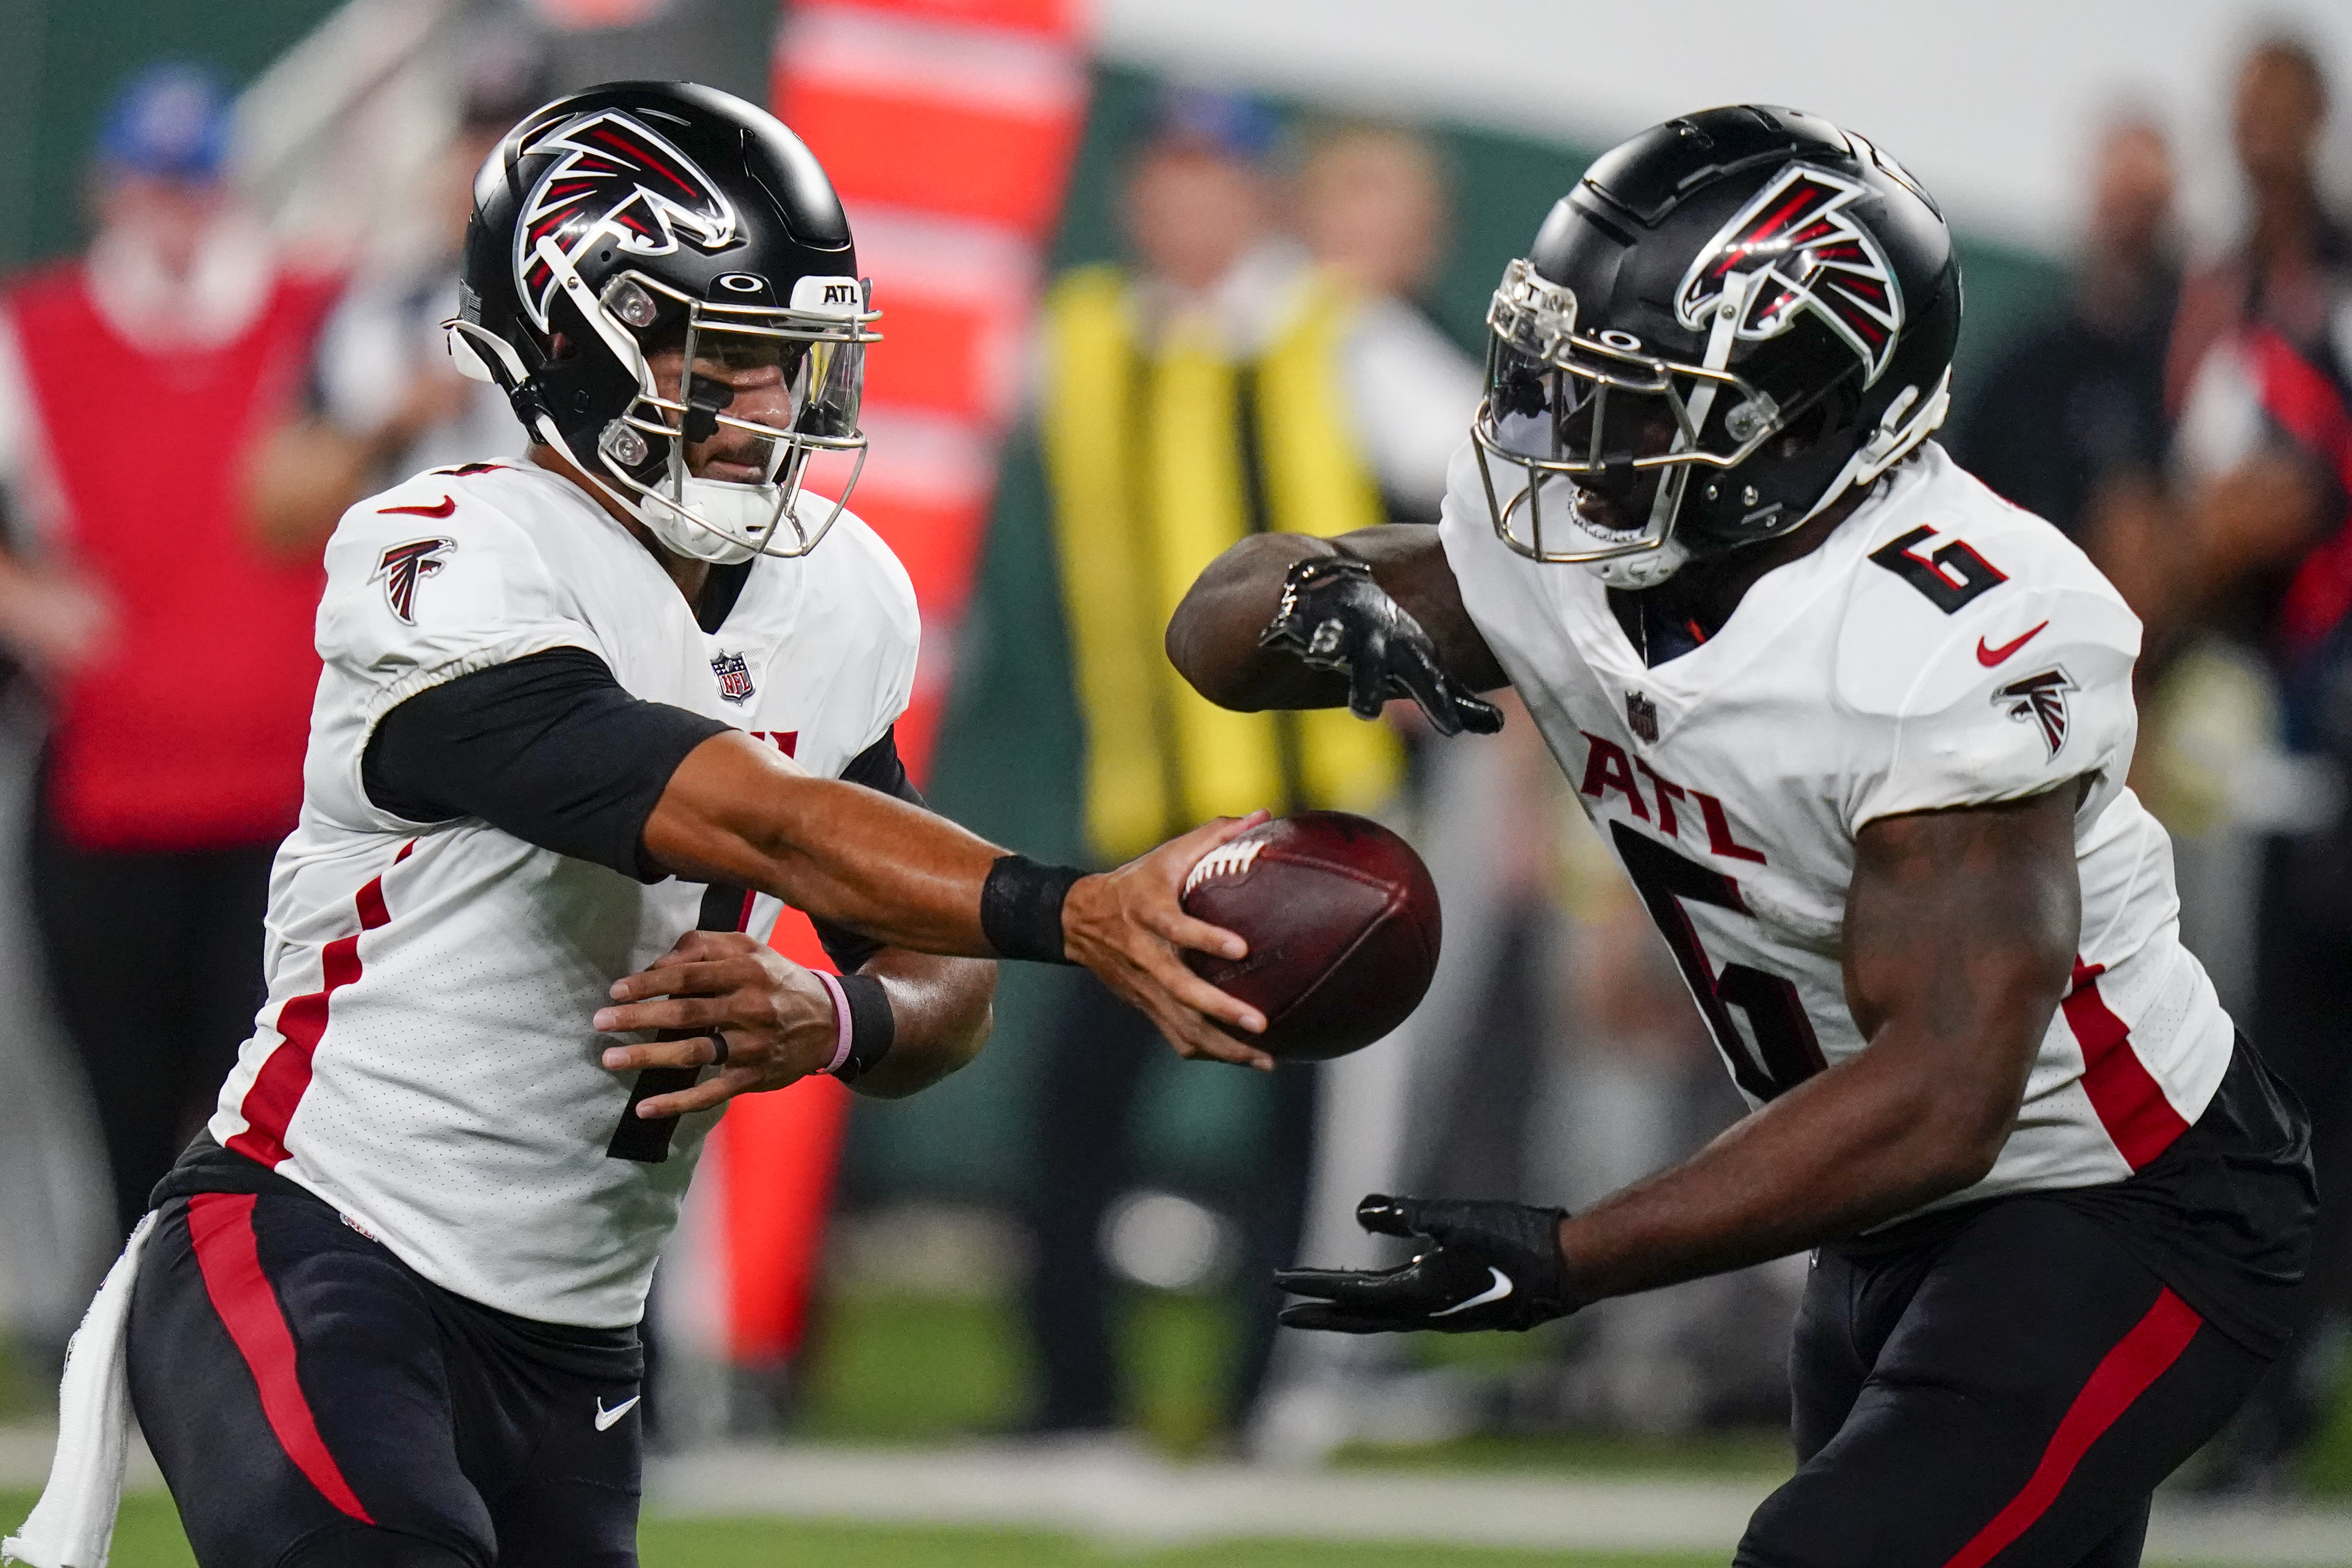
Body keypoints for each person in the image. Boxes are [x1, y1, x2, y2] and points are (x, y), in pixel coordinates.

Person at [11, 83, 1268, 1568]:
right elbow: (737, 813)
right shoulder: (446, 555)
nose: (770, 411)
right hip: (320, 1244)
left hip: (577, 1340)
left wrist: (836, 1014)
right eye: (726, 358)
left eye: (795, 364)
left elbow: (931, 970)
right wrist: (1073, 907)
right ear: (570, 342)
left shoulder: (833, 596)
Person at [1166, 105, 2314, 1565]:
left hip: (2111, 1192)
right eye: (1562, 378)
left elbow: (1945, 1091)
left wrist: (1571, 1255)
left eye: (1636, 400)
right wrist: (1304, 604)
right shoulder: (1577, 539)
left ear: (1805, 414)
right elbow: (1224, 622)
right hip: (1882, 1211)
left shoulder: (1942, 628)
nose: (1569, 436)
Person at [1018, 93, 1469, 1439]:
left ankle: (1276, 1393)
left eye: (1217, 179)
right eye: (1170, 174)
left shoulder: (1338, 332)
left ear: (1262, 198)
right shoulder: (1085, 332)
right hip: (1143, 806)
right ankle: (1069, 1397)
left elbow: (1499, 490)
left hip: (1313, 811)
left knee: (1308, 1120)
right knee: (1072, 1107)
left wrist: (1429, 643)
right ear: (1133, 194)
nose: (1190, 205)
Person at [0, 64, 347, 1243]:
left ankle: (246, 1337)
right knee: (119, 1104)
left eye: (193, 184)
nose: (174, 213)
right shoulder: (40, 332)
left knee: (267, 1103)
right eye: (152, 185)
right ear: (109, 192)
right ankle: (123, 1332)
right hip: (113, 788)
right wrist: (29, 601)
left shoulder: (319, 313)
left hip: (287, 797)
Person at [2161, 36, 2352, 1490]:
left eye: (2282, 111)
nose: (2261, 137)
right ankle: (2270, 1389)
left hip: (2330, 696)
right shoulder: (2214, 289)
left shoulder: (2326, 280)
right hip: (2264, 740)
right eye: (2244, 114)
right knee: (2268, 1076)